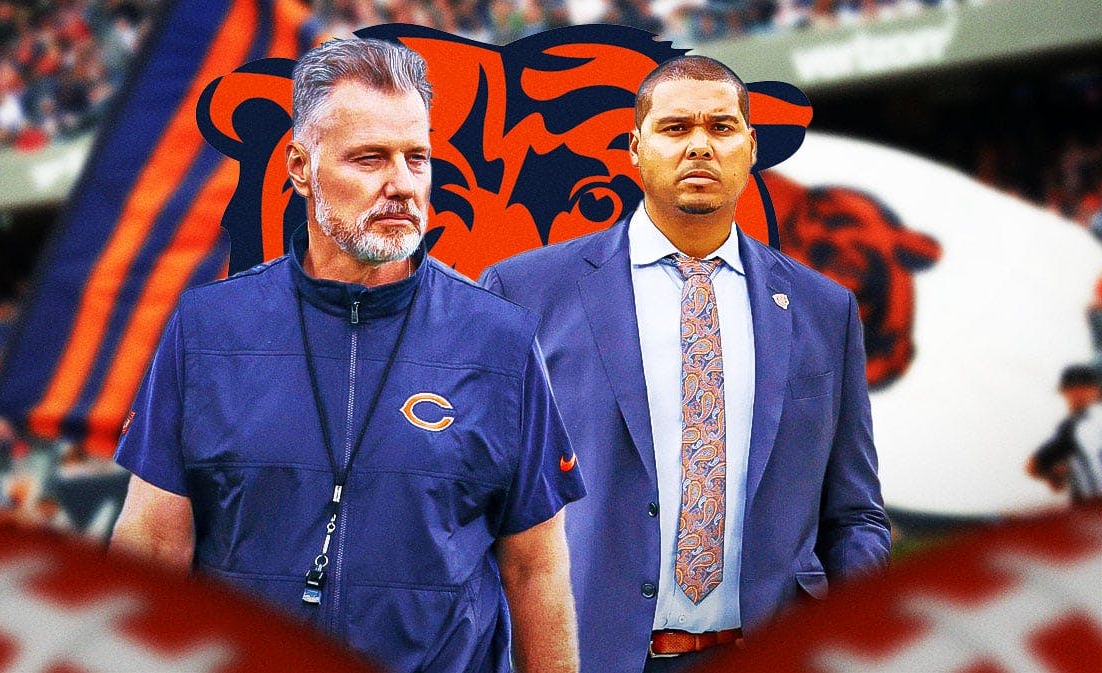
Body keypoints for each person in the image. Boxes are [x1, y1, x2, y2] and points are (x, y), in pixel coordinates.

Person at [110, 38, 585, 673]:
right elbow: (152, 545)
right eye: (370, 159)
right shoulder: (207, 330)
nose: (402, 185)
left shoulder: (500, 339)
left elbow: (535, 569)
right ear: (299, 166)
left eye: (417, 159)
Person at [479, 55, 891, 672]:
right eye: (675, 129)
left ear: (751, 149)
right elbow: (475, 501)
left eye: (721, 128)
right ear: (634, 148)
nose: (700, 144)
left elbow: (853, 514)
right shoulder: (525, 293)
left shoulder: (823, 310)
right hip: (583, 654)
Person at [1027, 364, 1102, 504]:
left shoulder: (1075, 425)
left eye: (1082, 389)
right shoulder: (1074, 426)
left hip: (1092, 510)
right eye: (1074, 389)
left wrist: (1055, 476)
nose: (1078, 393)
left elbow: (1032, 467)